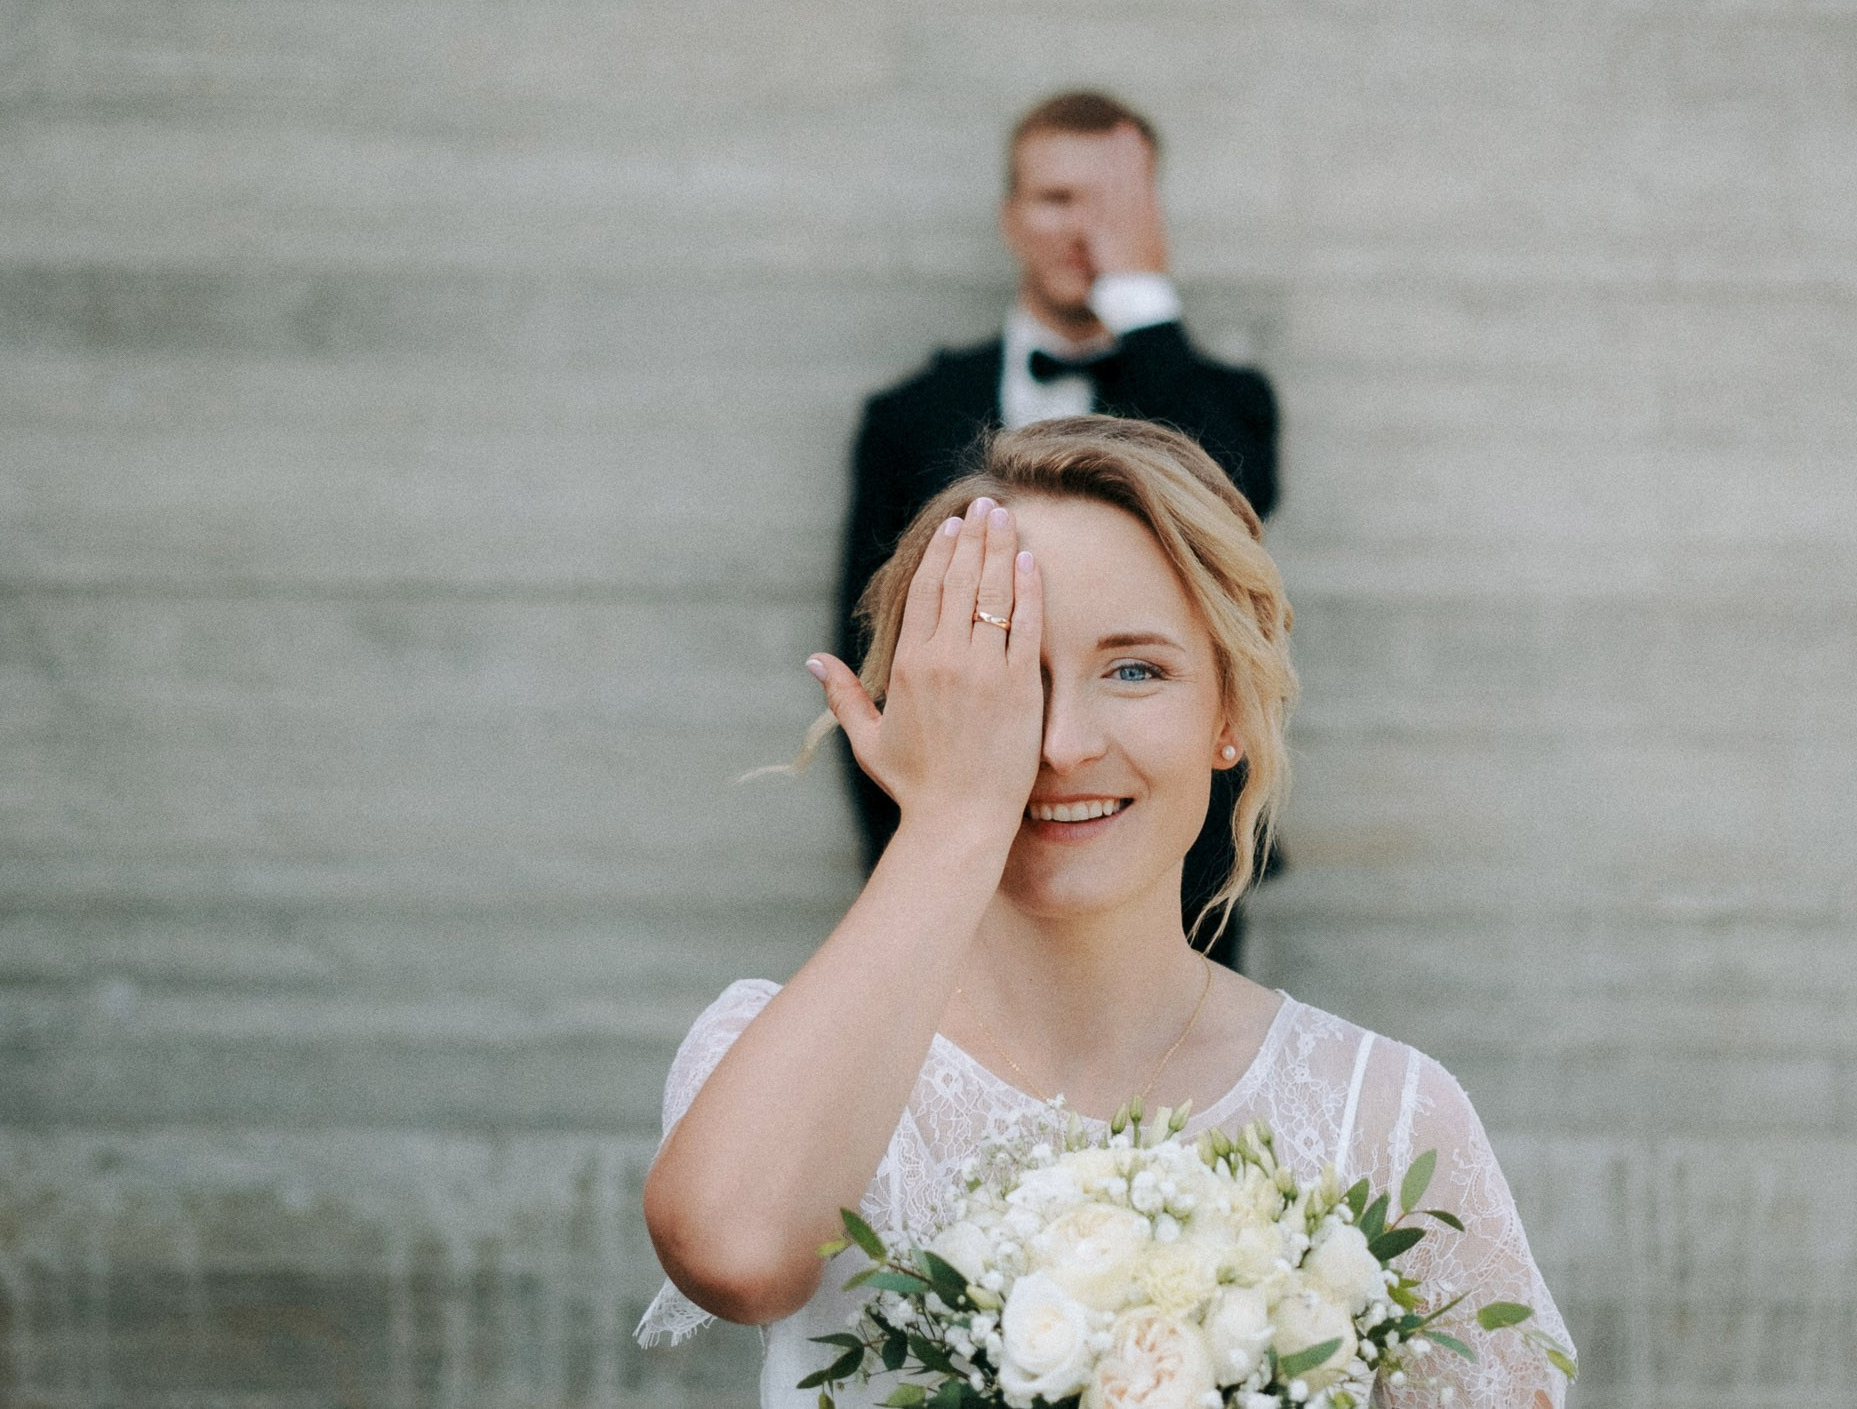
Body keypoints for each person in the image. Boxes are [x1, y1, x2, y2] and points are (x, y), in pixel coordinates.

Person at [641, 418, 1570, 1408]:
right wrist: (952, 819)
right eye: (1006, 674)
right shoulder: (770, 1049)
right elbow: (737, 1256)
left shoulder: (1382, 1113)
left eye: (1135, 670)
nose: (1064, 744)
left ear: (1227, 714)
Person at [838, 92, 1279, 962]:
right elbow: (873, 655)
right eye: (1057, 199)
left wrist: (1143, 301)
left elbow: (1234, 501)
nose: (1089, 231)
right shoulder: (908, 415)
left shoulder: (1224, 401)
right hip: (967, 871)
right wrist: (917, 858)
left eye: (1116, 203)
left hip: (1179, 878)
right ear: (1009, 219)